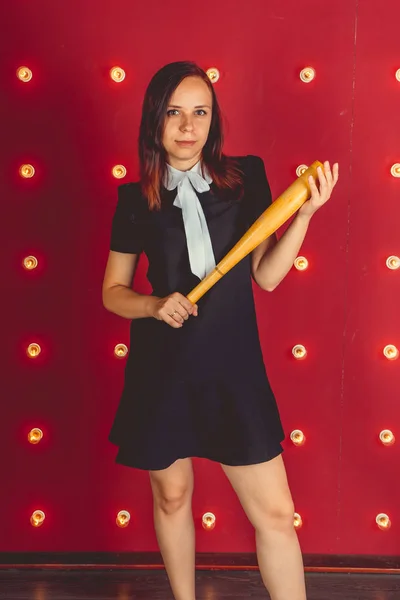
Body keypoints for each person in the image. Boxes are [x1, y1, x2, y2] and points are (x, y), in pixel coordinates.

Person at [102, 61, 339, 600]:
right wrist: (154, 304)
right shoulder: (135, 199)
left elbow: (268, 276)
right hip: (162, 368)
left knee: (277, 513)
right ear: (154, 121)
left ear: (214, 120)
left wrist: (301, 216)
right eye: (174, 113)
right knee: (172, 496)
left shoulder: (245, 177)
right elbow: (112, 292)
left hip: (233, 367)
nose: (188, 126)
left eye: (200, 112)